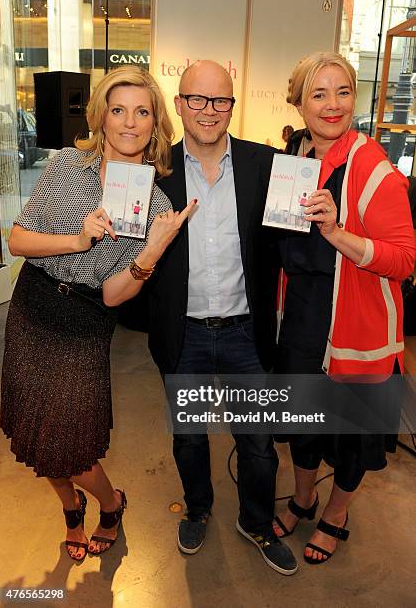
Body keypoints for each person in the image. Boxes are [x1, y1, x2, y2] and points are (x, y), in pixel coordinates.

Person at [0, 65, 195, 561]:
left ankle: (110, 503)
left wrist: (152, 252)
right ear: (101, 118)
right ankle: (71, 509)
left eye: (142, 112)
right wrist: (78, 238)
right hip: (33, 308)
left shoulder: (155, 205)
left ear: (155, 125)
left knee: (69, 442)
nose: (129, 122)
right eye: (118, 110)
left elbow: (113, 294)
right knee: (36, 432)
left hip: (85, 323)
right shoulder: (67, 165)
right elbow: (18, 239)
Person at [149, 60, 297, 575]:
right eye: (197, 99)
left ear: (232, 105)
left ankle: (256, 521)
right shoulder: (155, 173)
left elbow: (287, 246)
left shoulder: (266, 165)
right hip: (183, 334)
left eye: (220, 101)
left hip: (244, 334)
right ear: (179, 104)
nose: (209, 111)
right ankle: (198, 509)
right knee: (188, 438)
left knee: (257, 444)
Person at [272, 52, 415, 564]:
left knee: (350, 435)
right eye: (319, 93)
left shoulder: (374, 167)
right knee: (302, 423)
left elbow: (403, 260)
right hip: (303, 318)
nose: (332, 105)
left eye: (342, 92)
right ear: (299, 103)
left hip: (358, 323)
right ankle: (304, 497)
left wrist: (337, 232)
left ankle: (335, 515)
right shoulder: (294, 153)